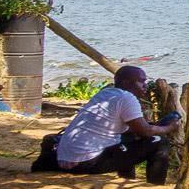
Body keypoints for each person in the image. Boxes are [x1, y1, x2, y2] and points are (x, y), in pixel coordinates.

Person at [47, 66, 179, 181]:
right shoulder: (127, 98)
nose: (145, 85)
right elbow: (145, 132)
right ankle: (154, 186)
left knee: (127, 138)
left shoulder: (106, 94)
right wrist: (169, 127)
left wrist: (151, 125)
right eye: (141, 81)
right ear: (126, 83)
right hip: (86, 162)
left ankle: (127, 179)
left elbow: (121, 128)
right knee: (160, 142)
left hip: (65, 159)